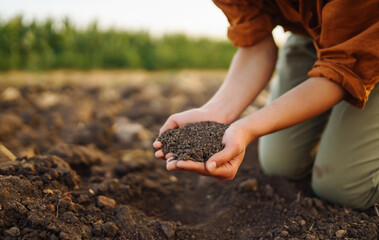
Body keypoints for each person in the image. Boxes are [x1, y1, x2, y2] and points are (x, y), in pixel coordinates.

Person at [153, 0, 379, 210]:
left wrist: (249, 128)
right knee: (280, 165)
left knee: (344, 189)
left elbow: (340, 70)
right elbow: (255, 45)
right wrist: (213, 112)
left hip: (369, 37)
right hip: (311, 35)